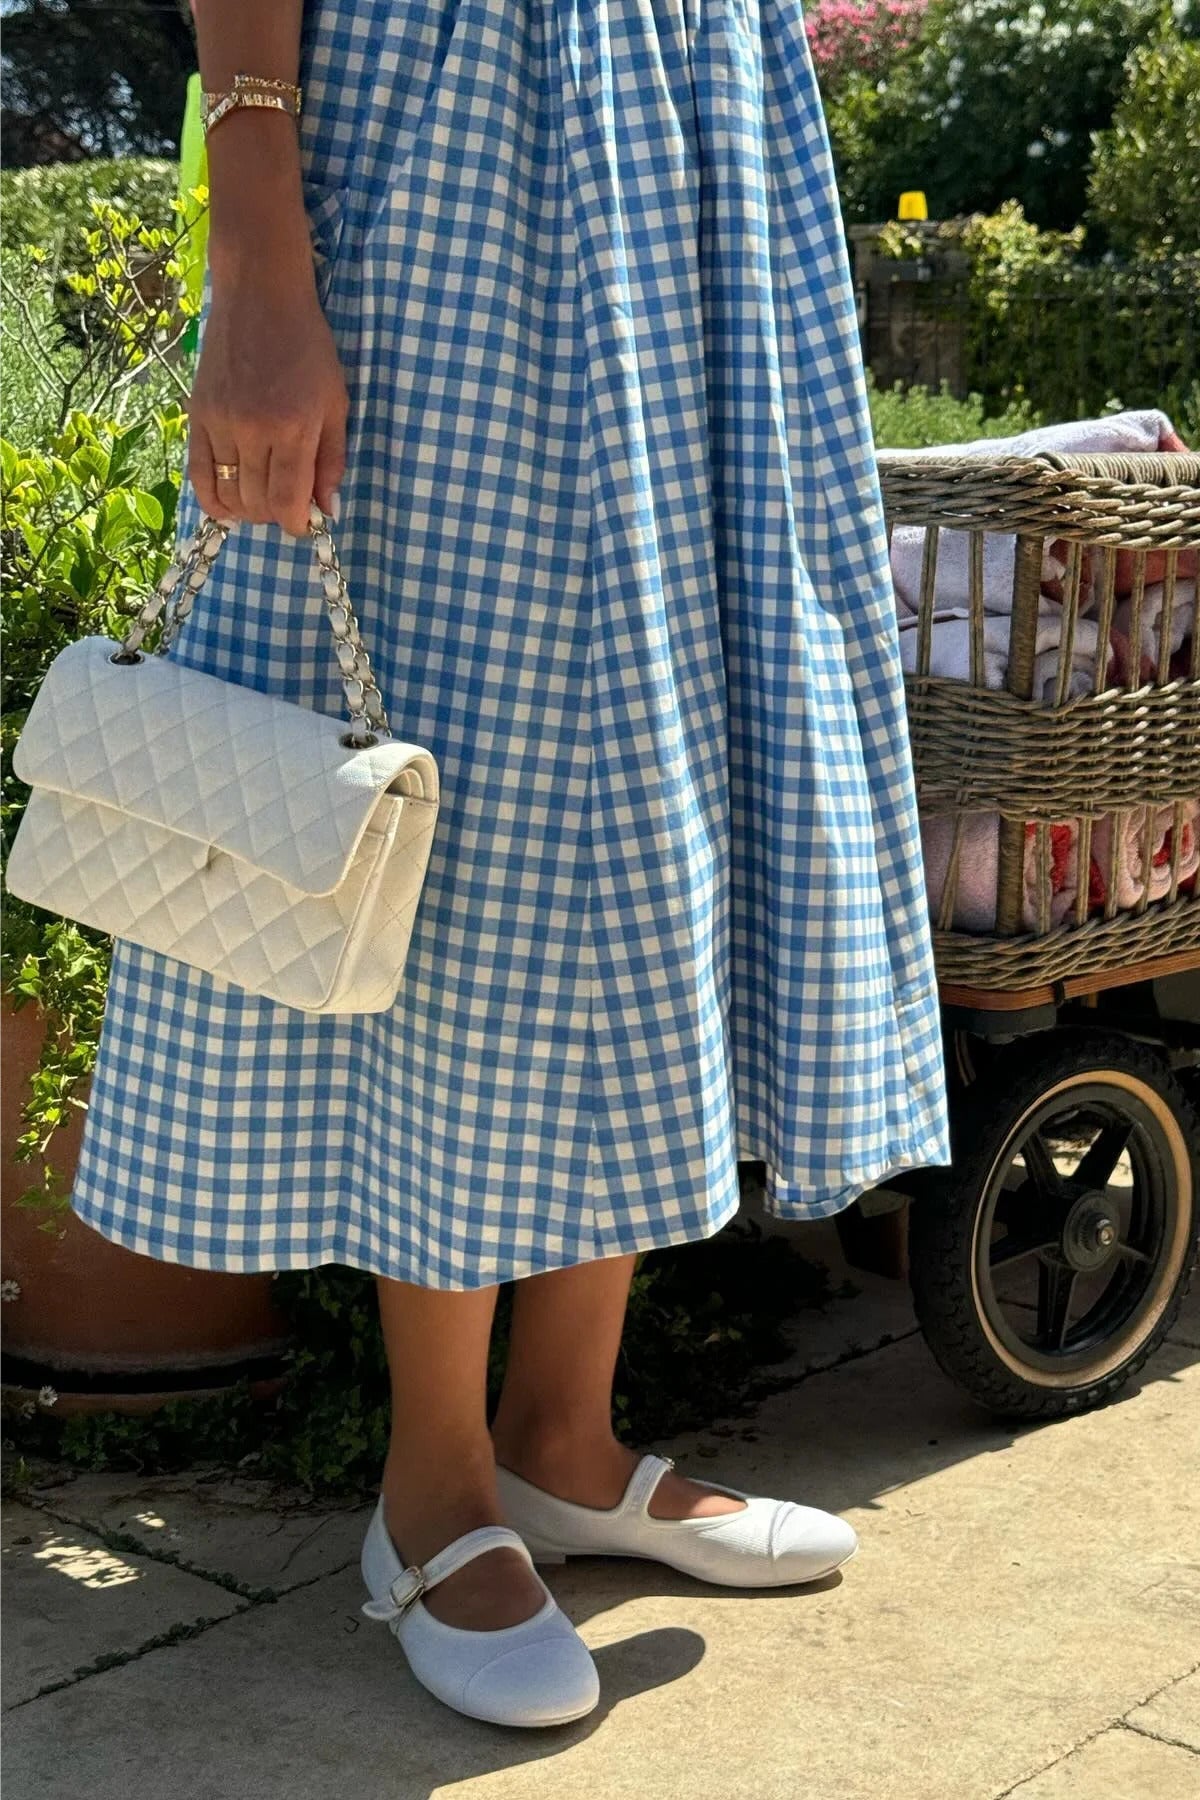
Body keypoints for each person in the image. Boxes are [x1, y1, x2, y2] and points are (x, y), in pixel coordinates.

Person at [67, 0, 952, 1728]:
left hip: (700, 143)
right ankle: (434, 1488)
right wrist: (259, 253)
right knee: (460, 806)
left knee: (656, 786)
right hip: (462, 135)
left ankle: (561, 1440)